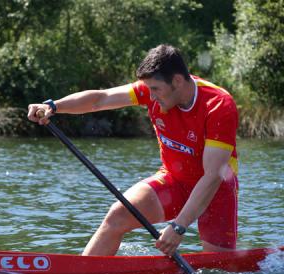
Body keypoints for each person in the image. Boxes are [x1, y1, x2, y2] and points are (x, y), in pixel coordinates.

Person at [27, 44, 239, 256]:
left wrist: (179, 226)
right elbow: (100, 99)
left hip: (215, 191)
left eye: (155, 89)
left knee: (218, 267)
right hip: (174, 180)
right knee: (117, 216)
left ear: (176, 81)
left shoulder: (219, 105)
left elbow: (213, 176)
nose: (151, 96)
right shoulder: (150, 89)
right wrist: (54, 107)